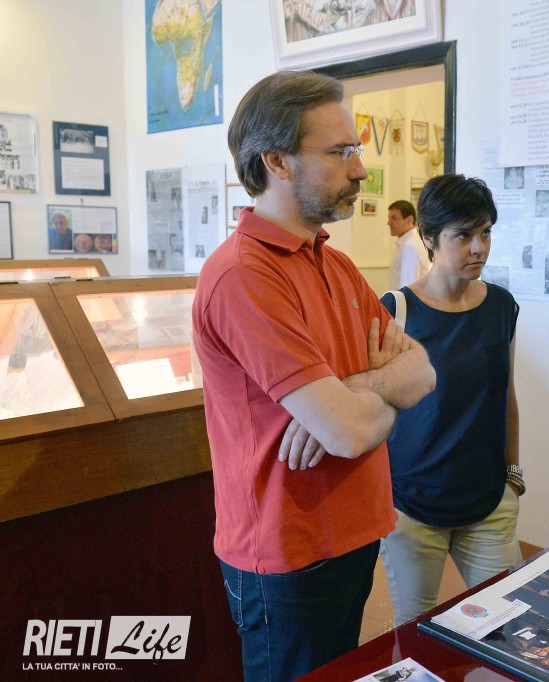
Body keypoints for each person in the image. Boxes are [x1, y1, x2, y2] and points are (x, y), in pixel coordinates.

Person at [192, 70, 435, 681]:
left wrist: (356, 390)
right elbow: (349, 434)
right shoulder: (244, 276)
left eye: (356, 150)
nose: (360, 170)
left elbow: (422, 371)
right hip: (288, 550)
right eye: (340, 152)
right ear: (276, 161)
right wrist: (364, 400)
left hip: (353, 530)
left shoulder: (337, 265)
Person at [379, 174, 523, 626]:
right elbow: (374, 407)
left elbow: (506, 393)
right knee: (416, 630)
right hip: (412, 504)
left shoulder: (501, 306)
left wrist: (513, 476)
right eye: (463, 235)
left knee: (511, 626)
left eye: (486, 233)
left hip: (488, 501)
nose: (479, 247)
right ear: (429, 238)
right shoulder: (396, 310)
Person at [386, 199, 429, 289]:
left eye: (394, 218)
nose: (389, 223)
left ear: (409, 220)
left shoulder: (410, 246)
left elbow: (408, 288)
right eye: (389, 218)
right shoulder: (412, 242)